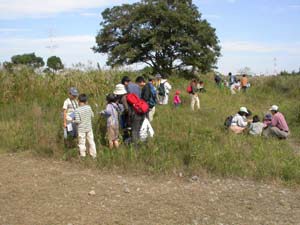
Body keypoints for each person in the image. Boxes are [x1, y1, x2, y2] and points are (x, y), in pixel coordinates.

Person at [74, 94, 97, 158]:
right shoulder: (89, 107)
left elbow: (78, 121)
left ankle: (83, 155)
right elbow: (92, 115)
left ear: (78, 101)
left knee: (82, 143)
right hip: (89, 128)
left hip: (81, 129)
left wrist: (73, 121)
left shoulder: (77, 110)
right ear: (86, 101)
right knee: (91, 141)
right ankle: (94, 155)